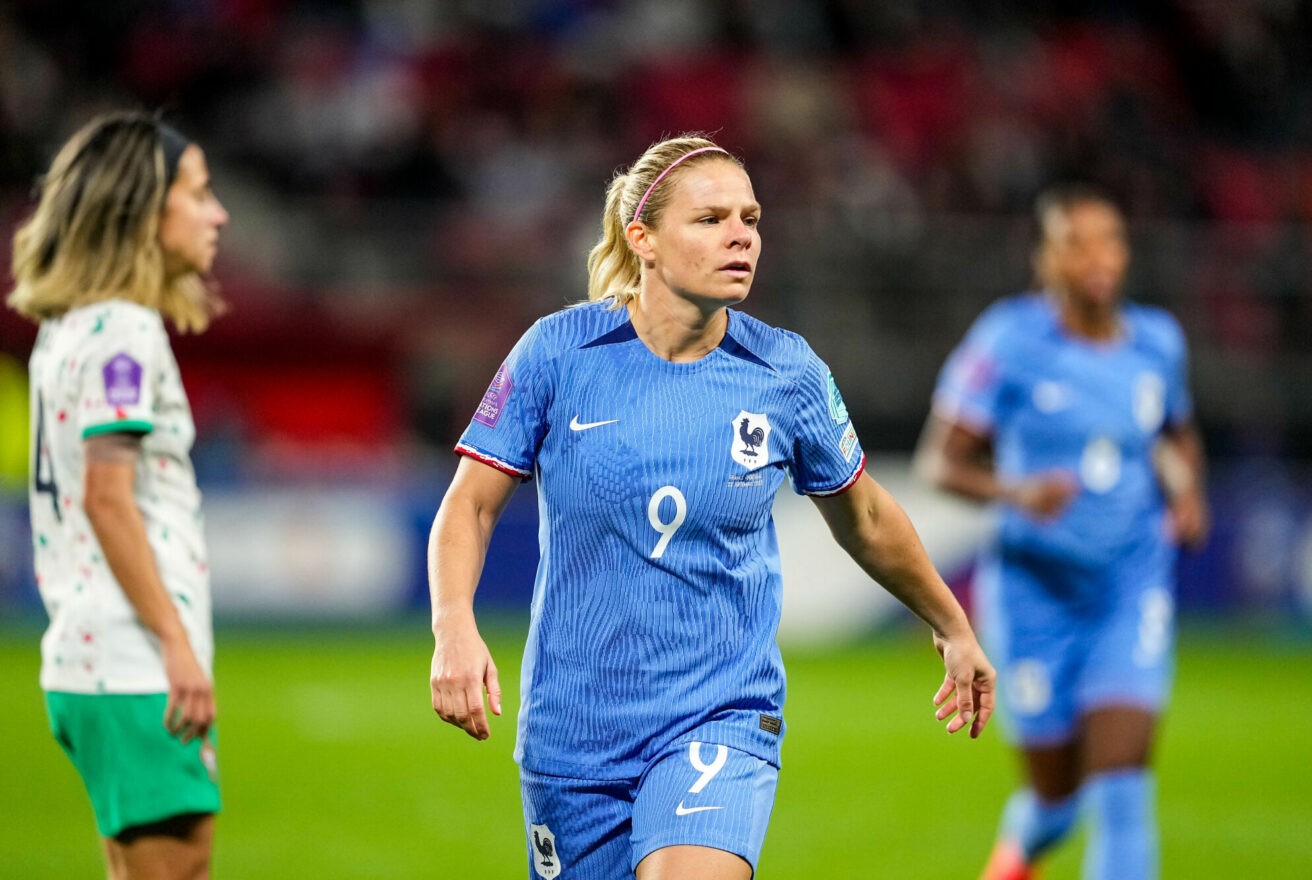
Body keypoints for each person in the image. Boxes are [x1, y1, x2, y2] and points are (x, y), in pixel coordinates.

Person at [428, 134, 996, 880]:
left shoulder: (784, 371)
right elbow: (468, 506)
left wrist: (952, 625)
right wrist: (455, 629)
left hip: (719, 715)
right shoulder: (557, 354)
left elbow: (864, 517)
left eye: (751, 219)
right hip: (571, 731)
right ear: (645, 239)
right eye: (711, 219)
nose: (742, 237)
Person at [915, 183, 1210, 880]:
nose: (1096, 257)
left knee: (1122, 791)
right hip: (1033, 595)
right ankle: (1019, 852)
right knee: (1056, 802)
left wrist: (1188, 491)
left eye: (1109, 239)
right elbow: (939, 461)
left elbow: (1177, 435)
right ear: (1045, 260)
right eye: (1075, 243)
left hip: (1128, 586)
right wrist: (1016, 490)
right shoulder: (1009, 339)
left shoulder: (1157, 343)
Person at [7, 110, 229, 880]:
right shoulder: (123, 333)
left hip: (93, 657)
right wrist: (176, 643)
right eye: (198, 193)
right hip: (132, 664)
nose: (218, 213)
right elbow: (109, 498)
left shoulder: (69, 328)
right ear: (144, 207)